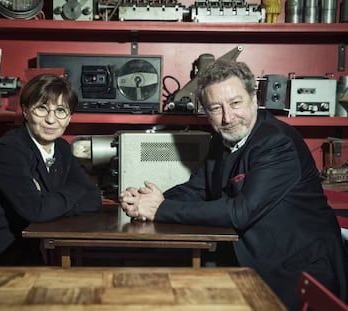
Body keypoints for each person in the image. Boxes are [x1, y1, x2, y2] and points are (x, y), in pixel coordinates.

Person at [119, 60, 348, 310]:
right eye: (216, 108)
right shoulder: (222, 140)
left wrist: (159, 209)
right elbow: (197, 188)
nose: (228, 117)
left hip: (297, 271)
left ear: (254, 98)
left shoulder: (275, 142)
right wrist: (148, 199)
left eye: (235, 103)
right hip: (250, 258)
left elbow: (241, 212)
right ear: (206, 112)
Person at [0, 74, 102, 266]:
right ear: (25, 111)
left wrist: (51, 199)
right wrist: (74, 191)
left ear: (69, 117)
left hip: (20, 252)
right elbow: (36, 211)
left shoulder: (62, 148)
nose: (51, 119)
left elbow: (93, 198)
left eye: (60, 110)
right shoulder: (8, 149)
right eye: (42, 108)